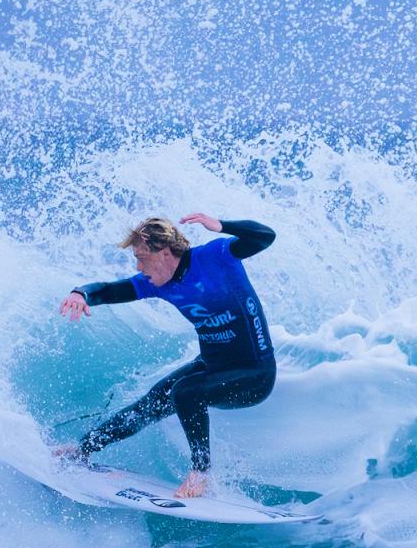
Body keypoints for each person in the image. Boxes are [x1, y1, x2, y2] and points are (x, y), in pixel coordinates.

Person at [57, 212, 278, 497]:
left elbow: (265, 236)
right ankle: (82, 449)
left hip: (254, 375)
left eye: (141, 258)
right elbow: (110, 290)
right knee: (150, 403)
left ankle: (201, 473)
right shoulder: (157, 283)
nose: (139, 267)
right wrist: (80, 294)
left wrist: (222, 226)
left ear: (163, 252)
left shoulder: (216, 256)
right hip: (213, 366)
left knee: (186, 392)